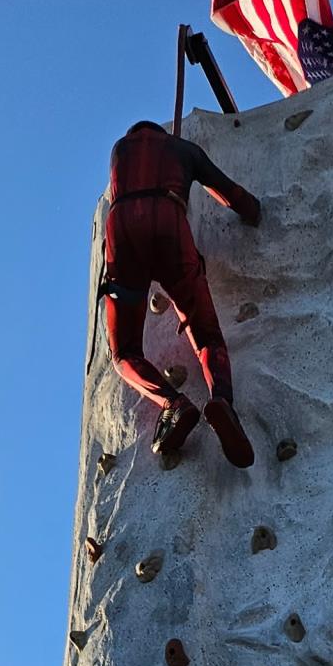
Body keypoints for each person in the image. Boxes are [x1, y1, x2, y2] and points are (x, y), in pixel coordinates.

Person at [101, 119, 263, 468]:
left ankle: (172, 405)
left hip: (123, 229)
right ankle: (221, 401)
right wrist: (253, 210)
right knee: (205, 334)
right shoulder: (184, 150)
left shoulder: (119, 151)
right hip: (169, 219)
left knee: (124, 351)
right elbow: (227, 191)